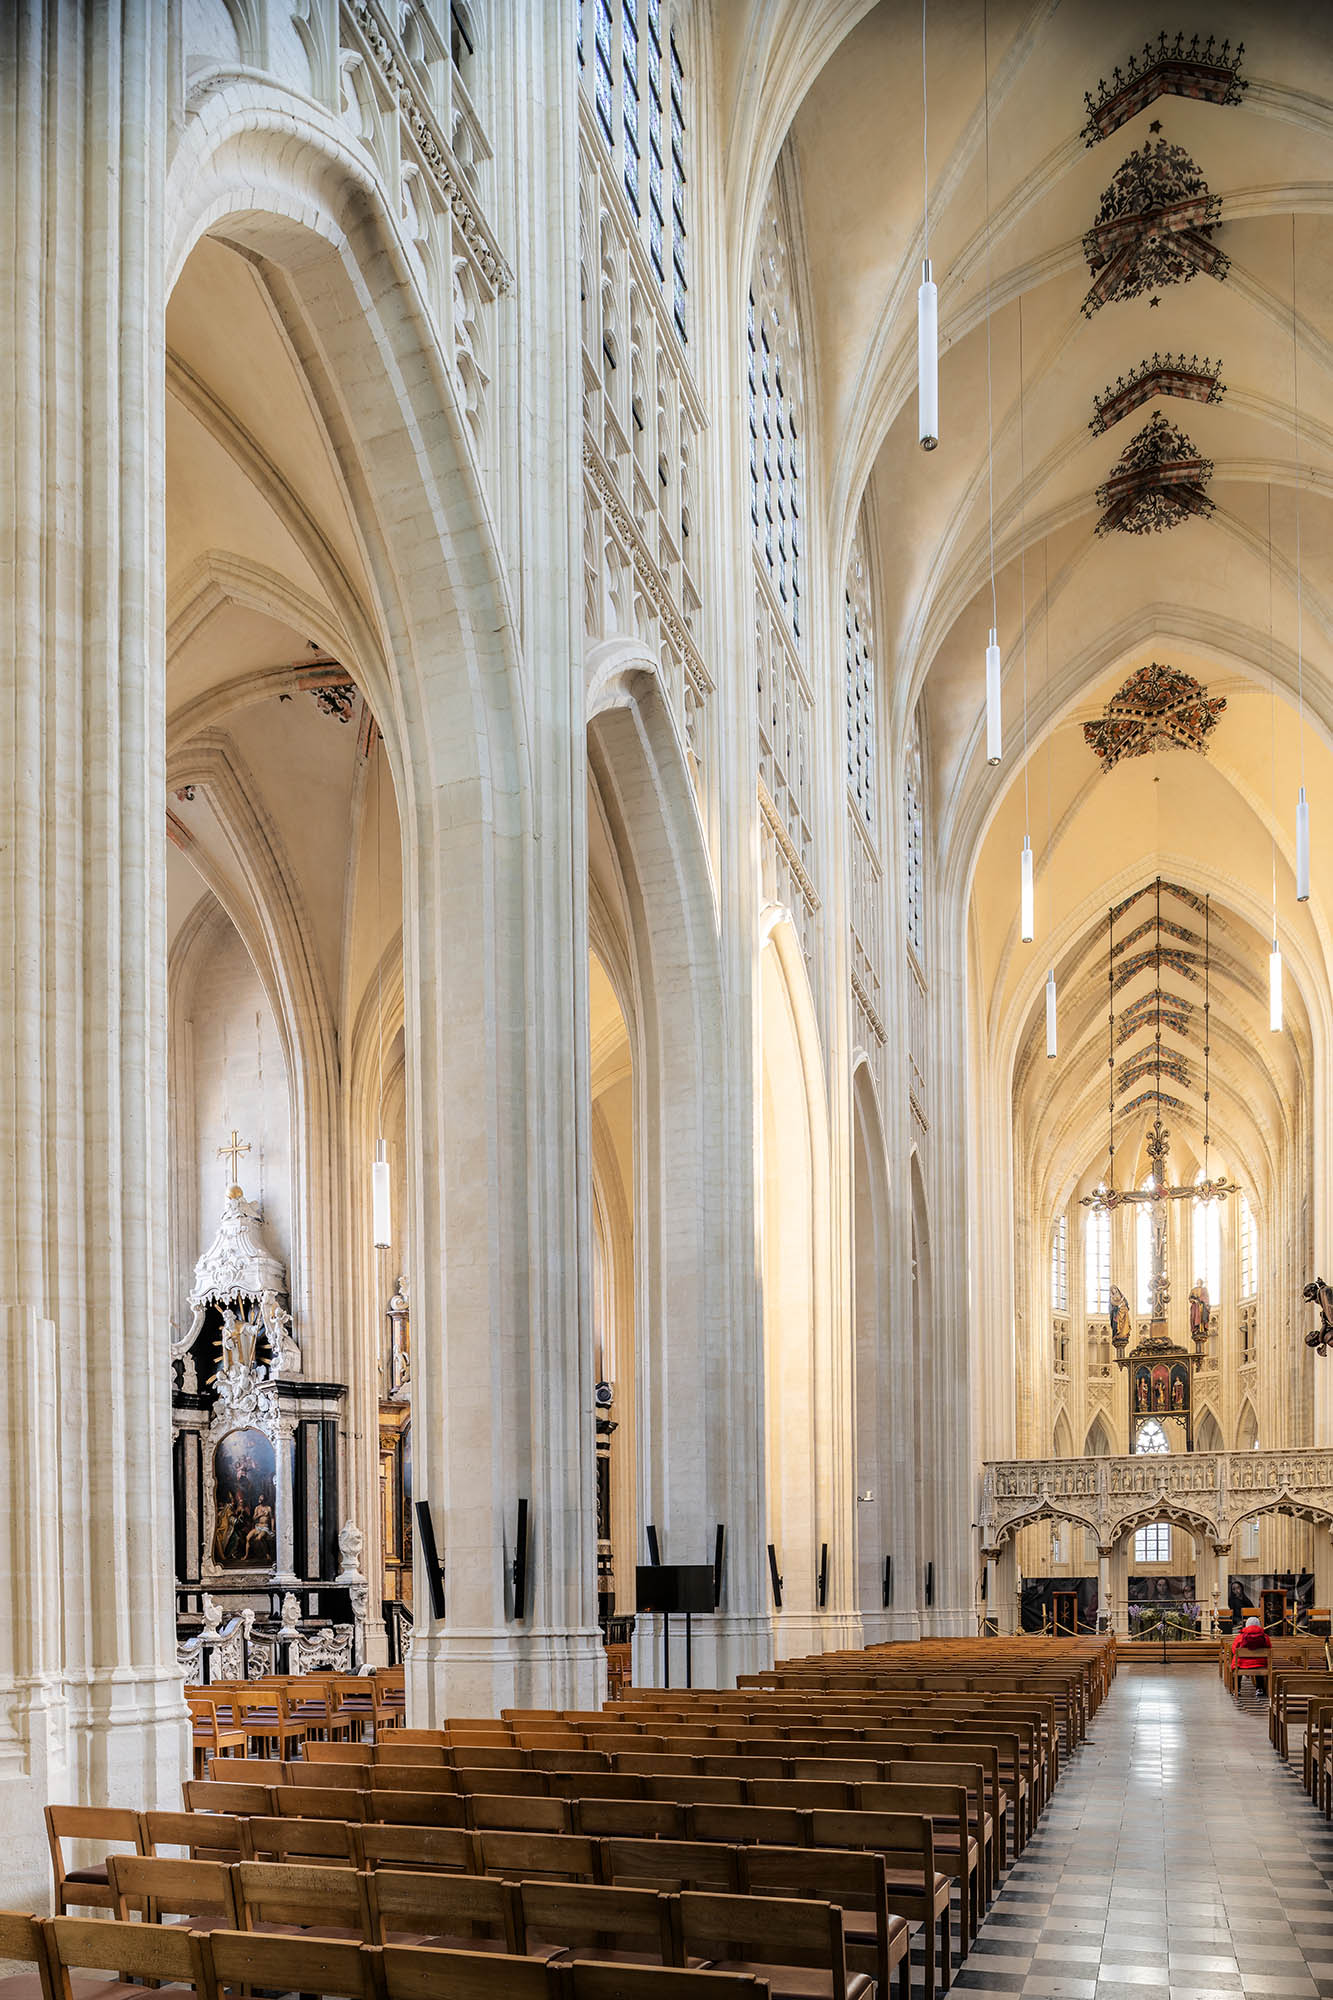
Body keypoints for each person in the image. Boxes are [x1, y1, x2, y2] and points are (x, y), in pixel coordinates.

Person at [1231, 1612, 1271, 1697]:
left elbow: (1234, 1650)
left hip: (1242, 1664)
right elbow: (1269, 1648)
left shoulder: (1240, 1637)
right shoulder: (1265, 1636)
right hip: (1260, 1664)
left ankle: (1237, 1689)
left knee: (1236, 1665)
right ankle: (1259, 1688)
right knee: (1258, 1664)